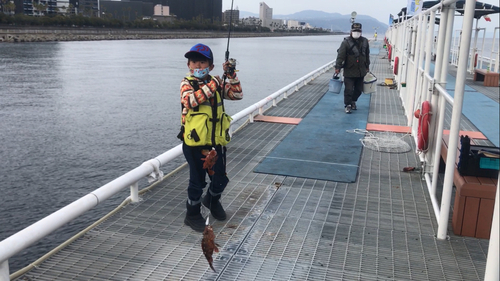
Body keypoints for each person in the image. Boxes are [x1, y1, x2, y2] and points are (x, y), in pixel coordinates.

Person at [179, 43, 243, 232]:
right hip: (194, 144)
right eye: (194, 62)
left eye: (202, 62)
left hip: (216, 143)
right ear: (189, 66)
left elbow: (237, 95)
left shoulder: (218, 83)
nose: (198, 66)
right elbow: (190, 101)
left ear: (211, 66)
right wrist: (213, 85)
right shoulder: (187, 83)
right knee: (197, 181)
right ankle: (191, 214)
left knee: (220, 179)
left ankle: (213, 200)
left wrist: (231, 75)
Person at [334, 22, 370, 114]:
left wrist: (367, 66)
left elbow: (367, 55)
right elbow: (340, 56)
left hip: (361, 71)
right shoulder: (345, 43)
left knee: (359, 90)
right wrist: (338, 67)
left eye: (358, 31)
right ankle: (348, 105)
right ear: (351, 31)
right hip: (349, 70)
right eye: (355, 31)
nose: (356, 32)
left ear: (361, 31)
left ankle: (353, 101)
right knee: (348, 89)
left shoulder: (365, 41)